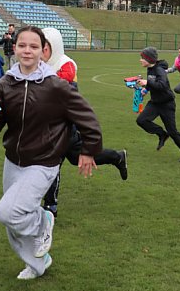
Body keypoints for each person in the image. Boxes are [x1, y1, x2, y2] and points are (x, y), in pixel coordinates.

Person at [0, 26, 103, 280]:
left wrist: (89, 149)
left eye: (34, 46)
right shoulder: (6, 83)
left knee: (8, 212)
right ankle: (37, 264)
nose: (27, 51)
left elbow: (87, 117)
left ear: (43, 51)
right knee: (14, 223)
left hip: (44, 161)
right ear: (15, 48)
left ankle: (44, 220)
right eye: (22, 45)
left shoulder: (56, 86)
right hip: (14, 160)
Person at [39, 27, 127, 218]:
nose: (40, 51)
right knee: (73, 157)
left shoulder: (66, 64)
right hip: (50, 126)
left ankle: (50, 207)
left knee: (52, 163)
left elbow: (62, 90)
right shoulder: (40, 64)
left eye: (44, 47)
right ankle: (116, 157)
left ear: (54, 46)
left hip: (64, 125)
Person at [136, 47, 180, 162]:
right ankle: (162, 134)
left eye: (142, 58)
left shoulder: (159, 70)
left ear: (149, 59)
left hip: (167, 104)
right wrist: (145, 89)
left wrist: (148, 82)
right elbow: (152, 82)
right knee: (141, 120)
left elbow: (162, 85)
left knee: (172, 131)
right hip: (155, 103)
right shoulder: (150, 68)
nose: (140, 60)